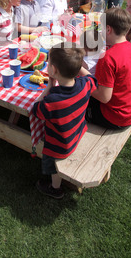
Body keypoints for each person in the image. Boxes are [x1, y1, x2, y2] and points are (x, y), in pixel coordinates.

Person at [32, 43, 97, 199]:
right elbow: (91, 77)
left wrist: (48, 87)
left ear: (54, 70)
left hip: (60, 146)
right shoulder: (85, 84)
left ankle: (55, 188)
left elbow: (35, 110)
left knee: (50, 160)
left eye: (48, 63)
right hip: (77, 132)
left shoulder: (52, 101)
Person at [81, 7, 131, 129]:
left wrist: (79, 69)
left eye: (102, 28)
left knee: (75, 94)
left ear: (108, 29)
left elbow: (104, 97)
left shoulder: (107, 58)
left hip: (115, 117)